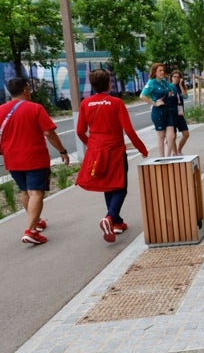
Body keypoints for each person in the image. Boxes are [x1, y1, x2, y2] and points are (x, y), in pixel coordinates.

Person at [75, 69, 149, 243]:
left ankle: (116, 222)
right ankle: (109, 218)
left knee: (108, 185)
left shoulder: (85, 103)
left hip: (96, 151)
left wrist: (91, 144)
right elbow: (128, 130)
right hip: (115, 150)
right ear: (109, 83)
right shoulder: (116, 103)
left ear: (92, 85)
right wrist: (142, 148)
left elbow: (79, 131)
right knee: (120, 186)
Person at [0, 77, 70, 245]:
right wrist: (62, 151)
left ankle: (36, 222)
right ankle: (30, 231)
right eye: (29, 88)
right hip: (34, 158)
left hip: (12, 158)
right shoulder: (35, 108)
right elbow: (49, 133)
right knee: (36, 193)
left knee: (25, 191)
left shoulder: (1, 110)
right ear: (25, 90)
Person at [139, 62, 177, 157]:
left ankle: (168, 157)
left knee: (171, 136)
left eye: (163, 70)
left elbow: (171, 91)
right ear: (155, 72)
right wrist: (154, 103)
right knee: (161, 136)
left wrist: (170, 94)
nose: (162, 72)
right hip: (158, 112)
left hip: (167, 111)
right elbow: (142, 96)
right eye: (160, 70)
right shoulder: (151, 82)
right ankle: (162, 158)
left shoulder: (164, 82)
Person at [170, 70, 190, 155]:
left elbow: (185, 96)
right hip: (172, 114)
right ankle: (175, 153)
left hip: (180, 113)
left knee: (186, 134)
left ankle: (179, 150)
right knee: (173, 136)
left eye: (178, 77)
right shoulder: (169, 87)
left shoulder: (180, 87)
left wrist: (181, 85)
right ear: (171, 78)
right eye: (174, 77)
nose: (176, 79)